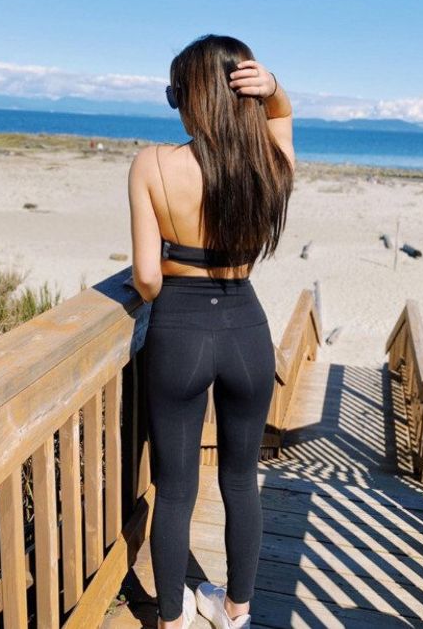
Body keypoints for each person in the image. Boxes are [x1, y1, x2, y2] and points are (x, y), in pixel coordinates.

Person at [127, 34, 295, 629]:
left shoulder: (152, 164)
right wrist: (274, 93)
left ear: (189, 97)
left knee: (174, 491)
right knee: (240, 480)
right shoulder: (270, 166)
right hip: (247, 327)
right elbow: (281, 119)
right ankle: (237, 609)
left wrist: (166, 285)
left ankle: (171, 619)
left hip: (180, 327)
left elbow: (147, 277)